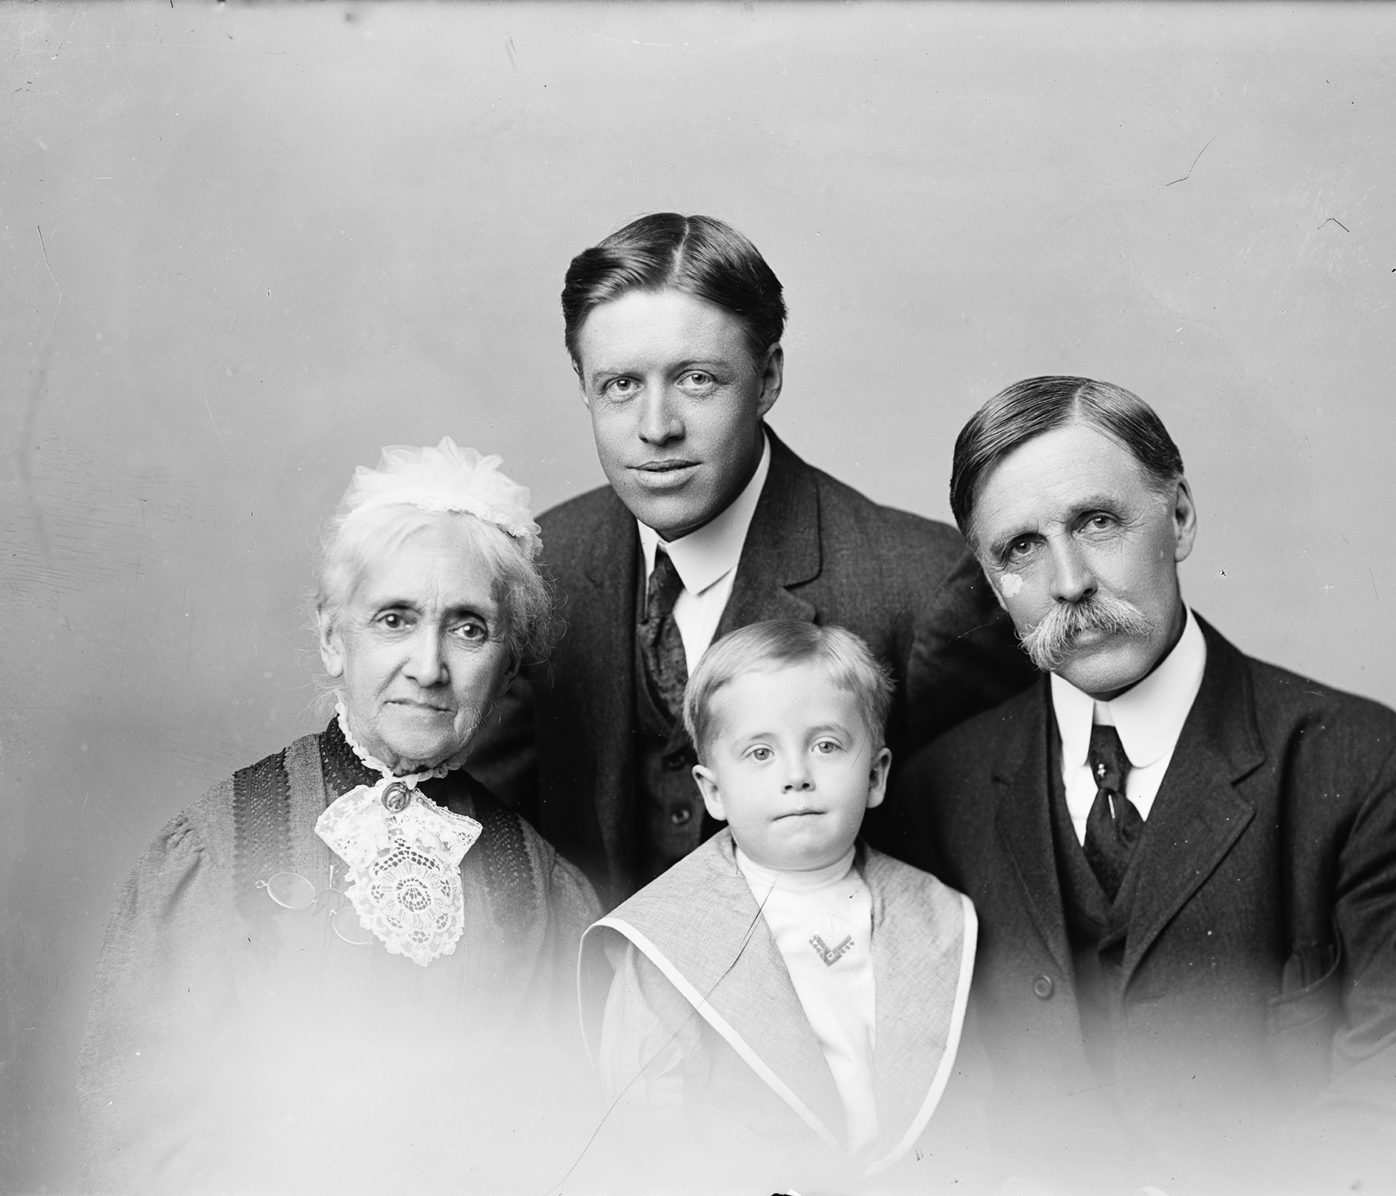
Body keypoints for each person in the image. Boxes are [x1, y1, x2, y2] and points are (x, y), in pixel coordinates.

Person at [904, 377, 1396, 1193]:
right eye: (1021, 548)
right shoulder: (936, 794)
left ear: (1179, 516)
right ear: (988, 574)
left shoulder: (1372, 772)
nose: (1070, 581)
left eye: (1098, 522)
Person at [78, 439, 600, 1194]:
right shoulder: (220, 844)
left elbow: (573, 1141)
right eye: (394, 619)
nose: (428, 666)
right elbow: (144, 1137)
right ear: (333, 638)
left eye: (468, 627)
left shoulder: (545, 888)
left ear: (508, 663)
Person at [465, 212, 1034, 903]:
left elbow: (990, 885)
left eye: (698, 379)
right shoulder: (538, 567)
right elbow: (477, 832)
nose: (656, 427)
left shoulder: (922, 586)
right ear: (584, 385)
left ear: (766, 380)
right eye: (620, 386)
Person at [577, 620, 983, 1193]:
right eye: (760, 752)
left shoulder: (938, 918)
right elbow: (647, 1124)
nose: (796, 776)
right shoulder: (667, 938)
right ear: (712, 791)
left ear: (875, 775)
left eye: (826, 746)